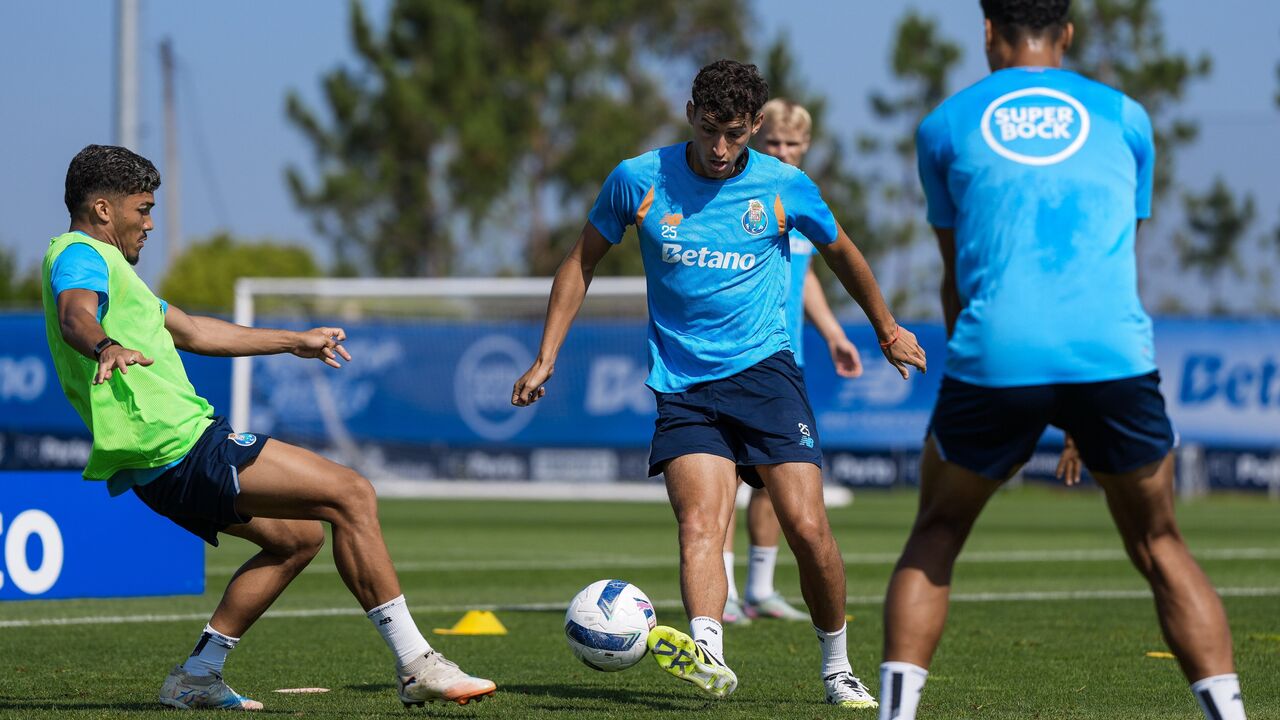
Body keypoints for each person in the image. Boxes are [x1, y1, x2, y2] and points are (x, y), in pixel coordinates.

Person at [513, 60, 926, 708]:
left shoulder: (786, 186)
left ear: (755, 126)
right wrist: (547, 356)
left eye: (734, 133)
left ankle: (838, 664)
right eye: (709, 130)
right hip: (684, 385)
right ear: (689, 115)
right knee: (701, 523)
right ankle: (708, 652)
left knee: (807, 528)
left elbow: (842, 250)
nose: (719, 148)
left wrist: (885, 326)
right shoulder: (638, 180)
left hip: (767, 376)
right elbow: (579, 262)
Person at [877, 3, 1247, 719]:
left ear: (988, 31)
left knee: (937, 531)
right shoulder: (1126, 118)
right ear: (1067, 34)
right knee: (1161, 540)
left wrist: (972, 375)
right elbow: (1115, 254)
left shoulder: (945, 125)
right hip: (1108, 351)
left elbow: (956, 278)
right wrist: (1079, 409)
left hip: (997, 352)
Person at [41, 144, 495, 711]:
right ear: (104, 209)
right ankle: (417, 665)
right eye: (143, 208)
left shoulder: (117, 277)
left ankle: (199, 675)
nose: (150, 223)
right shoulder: (80, 254)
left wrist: (293, 341)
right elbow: (73, 315)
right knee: (351, 493)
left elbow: (199, 332)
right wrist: (105, 344)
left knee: (295, 539)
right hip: (178, 445)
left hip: (161, 460)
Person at [720, 98, 864, 626]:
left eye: (792, 144)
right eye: (774, 142)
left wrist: (833, 335)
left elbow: (807, 285)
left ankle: (761, 587)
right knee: (726, 481)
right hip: (737, 354)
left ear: (806, 147)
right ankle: (728, 591)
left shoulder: (801, 204)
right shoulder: (750, 196)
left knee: (777, 478)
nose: (782, 151)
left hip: (787, 357)